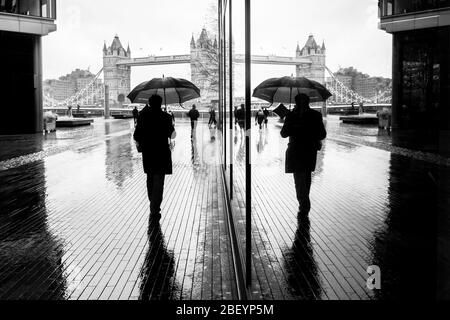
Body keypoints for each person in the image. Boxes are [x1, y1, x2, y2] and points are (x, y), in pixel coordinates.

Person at [281, 94, 327, 219]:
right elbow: (322, 134)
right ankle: (304, 204)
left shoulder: (291, 115)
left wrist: (292, 121)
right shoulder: (315, 115)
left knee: (301, 180)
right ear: (308, 102)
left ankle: (304, 205)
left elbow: (284, 134)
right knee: (305, 179)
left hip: (296, 152)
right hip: (309, 152)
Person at [134, 95, 176, 221]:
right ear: (161, 103)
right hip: (162, 153)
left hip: (149, 153)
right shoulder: (166, 117)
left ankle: (152, 202)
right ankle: (155, 207)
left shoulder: (142, 117)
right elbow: (172, 135)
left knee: (150, 179)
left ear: (149, 103)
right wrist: (171, 123)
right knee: (159, 181)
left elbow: (136, 135)